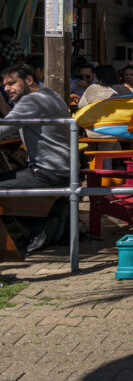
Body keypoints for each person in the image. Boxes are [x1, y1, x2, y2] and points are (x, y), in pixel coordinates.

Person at [0, 64, 72, 253]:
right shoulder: (51, 94)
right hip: (63, 171)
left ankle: (36, 229)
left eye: (11, 83)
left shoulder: (31, 101)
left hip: (47, 172)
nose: (6, 88)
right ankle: (51, 217)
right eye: (4, 84)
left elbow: (4, 128)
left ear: (29, 80)